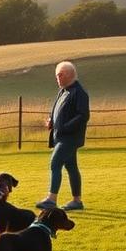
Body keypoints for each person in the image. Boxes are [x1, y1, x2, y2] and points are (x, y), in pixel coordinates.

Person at [36, 61, 89, 211]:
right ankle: (77, 201)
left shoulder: (79, 92)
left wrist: (65, 127)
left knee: (55, 163)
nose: (57, 78)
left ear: (70, 75)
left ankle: (51, 200)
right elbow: (56, 110)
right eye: (56, 75)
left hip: (70, 138)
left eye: (60, 75)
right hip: (61, 136)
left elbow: (83, 115)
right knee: (71, 167)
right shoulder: (63, 91)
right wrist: (51, 121)